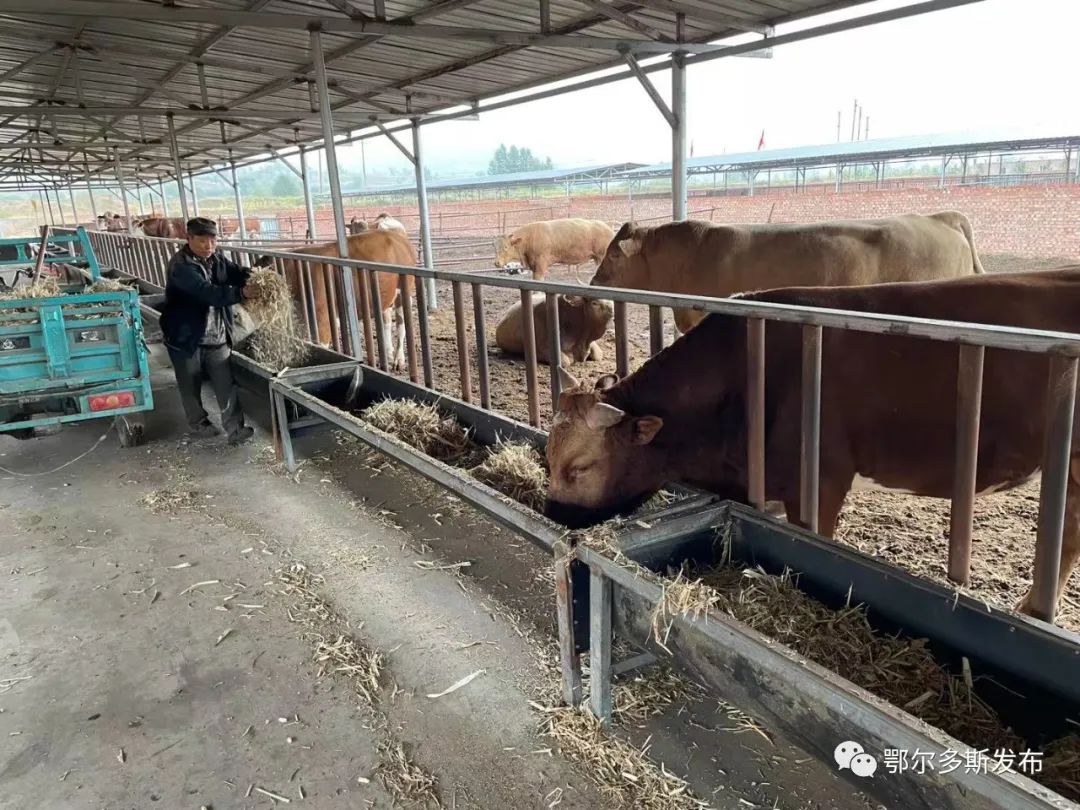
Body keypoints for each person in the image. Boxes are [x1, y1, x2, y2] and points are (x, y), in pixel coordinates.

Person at [160, 217, 255, 445]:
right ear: (189, 239)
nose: (208, 246)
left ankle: (235, 430)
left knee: (225, 383)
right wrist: (242, 294)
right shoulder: (180, 267)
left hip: (217, 335)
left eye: (212, 241)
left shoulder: (217, 260)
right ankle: (199, 423)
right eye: (202, 241)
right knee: (190, 383)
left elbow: (236, 273)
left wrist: (258, 277)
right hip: (186, 336)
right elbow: (207, 292)